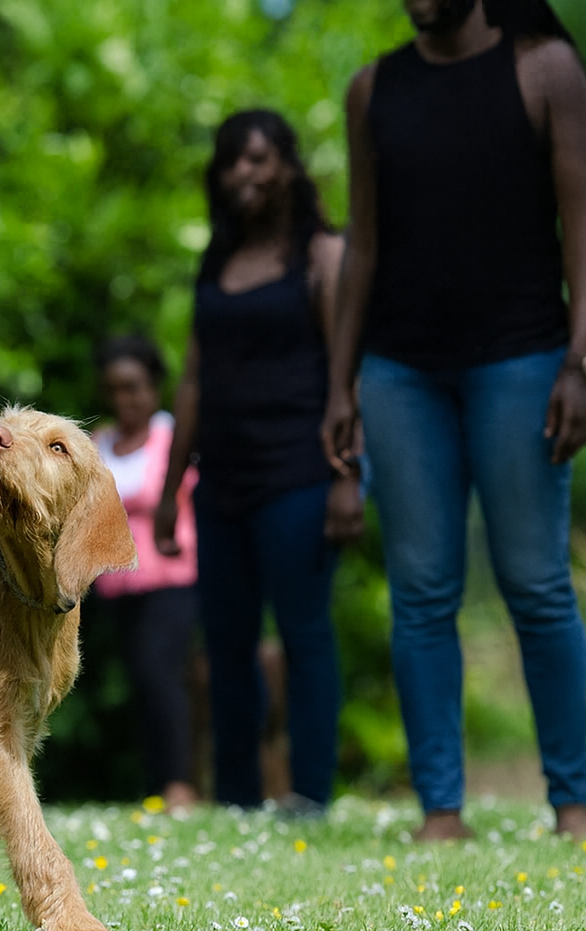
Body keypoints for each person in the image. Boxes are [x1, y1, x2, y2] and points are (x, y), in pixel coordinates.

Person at [322, 0, 586, 840]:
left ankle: (573, 805)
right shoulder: (373, 89)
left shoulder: (545, 69)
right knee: (422, 593)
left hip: (521, 359)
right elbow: (363, 245)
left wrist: (579, 361)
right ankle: (441, 811)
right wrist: (341, 384)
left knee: (536, 583)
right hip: (402, 373)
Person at [155, 111, 365, 818]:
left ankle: (308, 791)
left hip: (300, 473)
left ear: (288, 168)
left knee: (304, 634)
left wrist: (347, 476)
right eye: (235, 161)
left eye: (262, 158)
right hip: (223, 483)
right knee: (227, 643)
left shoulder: (321, 254)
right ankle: (240, 798)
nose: (249, 172)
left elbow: (348, 372)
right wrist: (168, 491)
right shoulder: (218, 259)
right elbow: (192, 378)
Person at [90, 335, 201, 812]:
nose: (124, 400)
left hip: (170, 578)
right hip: (118, 587)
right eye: (115, 390)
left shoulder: (171, 437)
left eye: (133, 387)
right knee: (140, 681)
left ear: (155, 387)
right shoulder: (99, 444)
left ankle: (180, 783)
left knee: (162, 675)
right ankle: (157, 782)